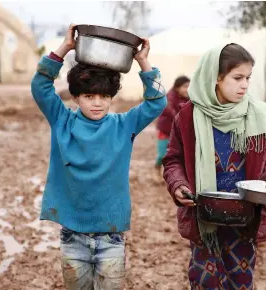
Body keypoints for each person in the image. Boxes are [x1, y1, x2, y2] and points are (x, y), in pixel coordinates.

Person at [30, 24, 167, 290]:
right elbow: (40, 84)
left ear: (112, 97)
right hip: (72, 237)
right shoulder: (62, 120)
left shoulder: (123, 125)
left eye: (104, 96)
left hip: (111, 236)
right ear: (76, 97)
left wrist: (142, 60)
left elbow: (158, 102)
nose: (97, 103)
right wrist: (66, 47)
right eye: (89, 96)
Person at [162, 43, 266, 289]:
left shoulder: (257, 114)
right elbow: (173, 159)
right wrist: (178, 185)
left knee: (240, 279)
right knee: (204, 280)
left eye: (248, 78)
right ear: (216, 78)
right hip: (204, 217)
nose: (245, 85)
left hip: (245, 217)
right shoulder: (188, 116)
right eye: (237, 77)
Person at [155, 76, 190, 170]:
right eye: (185, 86)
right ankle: (157, 168)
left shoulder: (189, 98)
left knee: (175, 155)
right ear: (177, 87)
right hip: (165, 130)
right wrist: (180, 118)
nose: (188, 89)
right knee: (162, 155)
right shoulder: (169, 97)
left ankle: (170, 173)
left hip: (178, 132)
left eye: (189, 87)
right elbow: (170, 110)